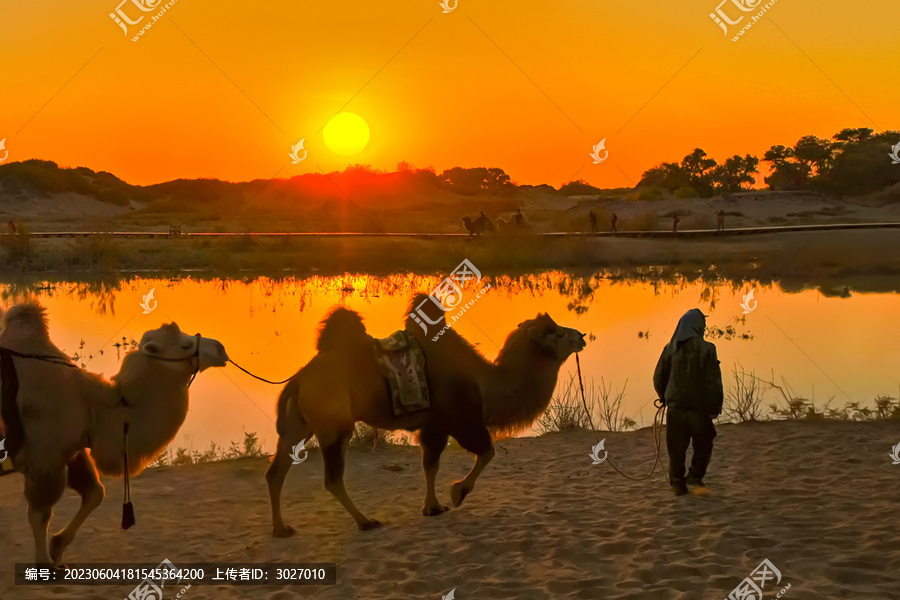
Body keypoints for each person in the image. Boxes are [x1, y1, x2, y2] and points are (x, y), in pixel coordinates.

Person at [653, 309, 723, 496]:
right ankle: (694, 476)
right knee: (704, 443)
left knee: (676, 448)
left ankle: (678, 483)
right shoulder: (708, 349)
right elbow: (713, 381)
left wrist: (664, 396)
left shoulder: (670, 348)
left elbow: (659, 377)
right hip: (699, 410)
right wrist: (715, 407)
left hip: (675, 408)